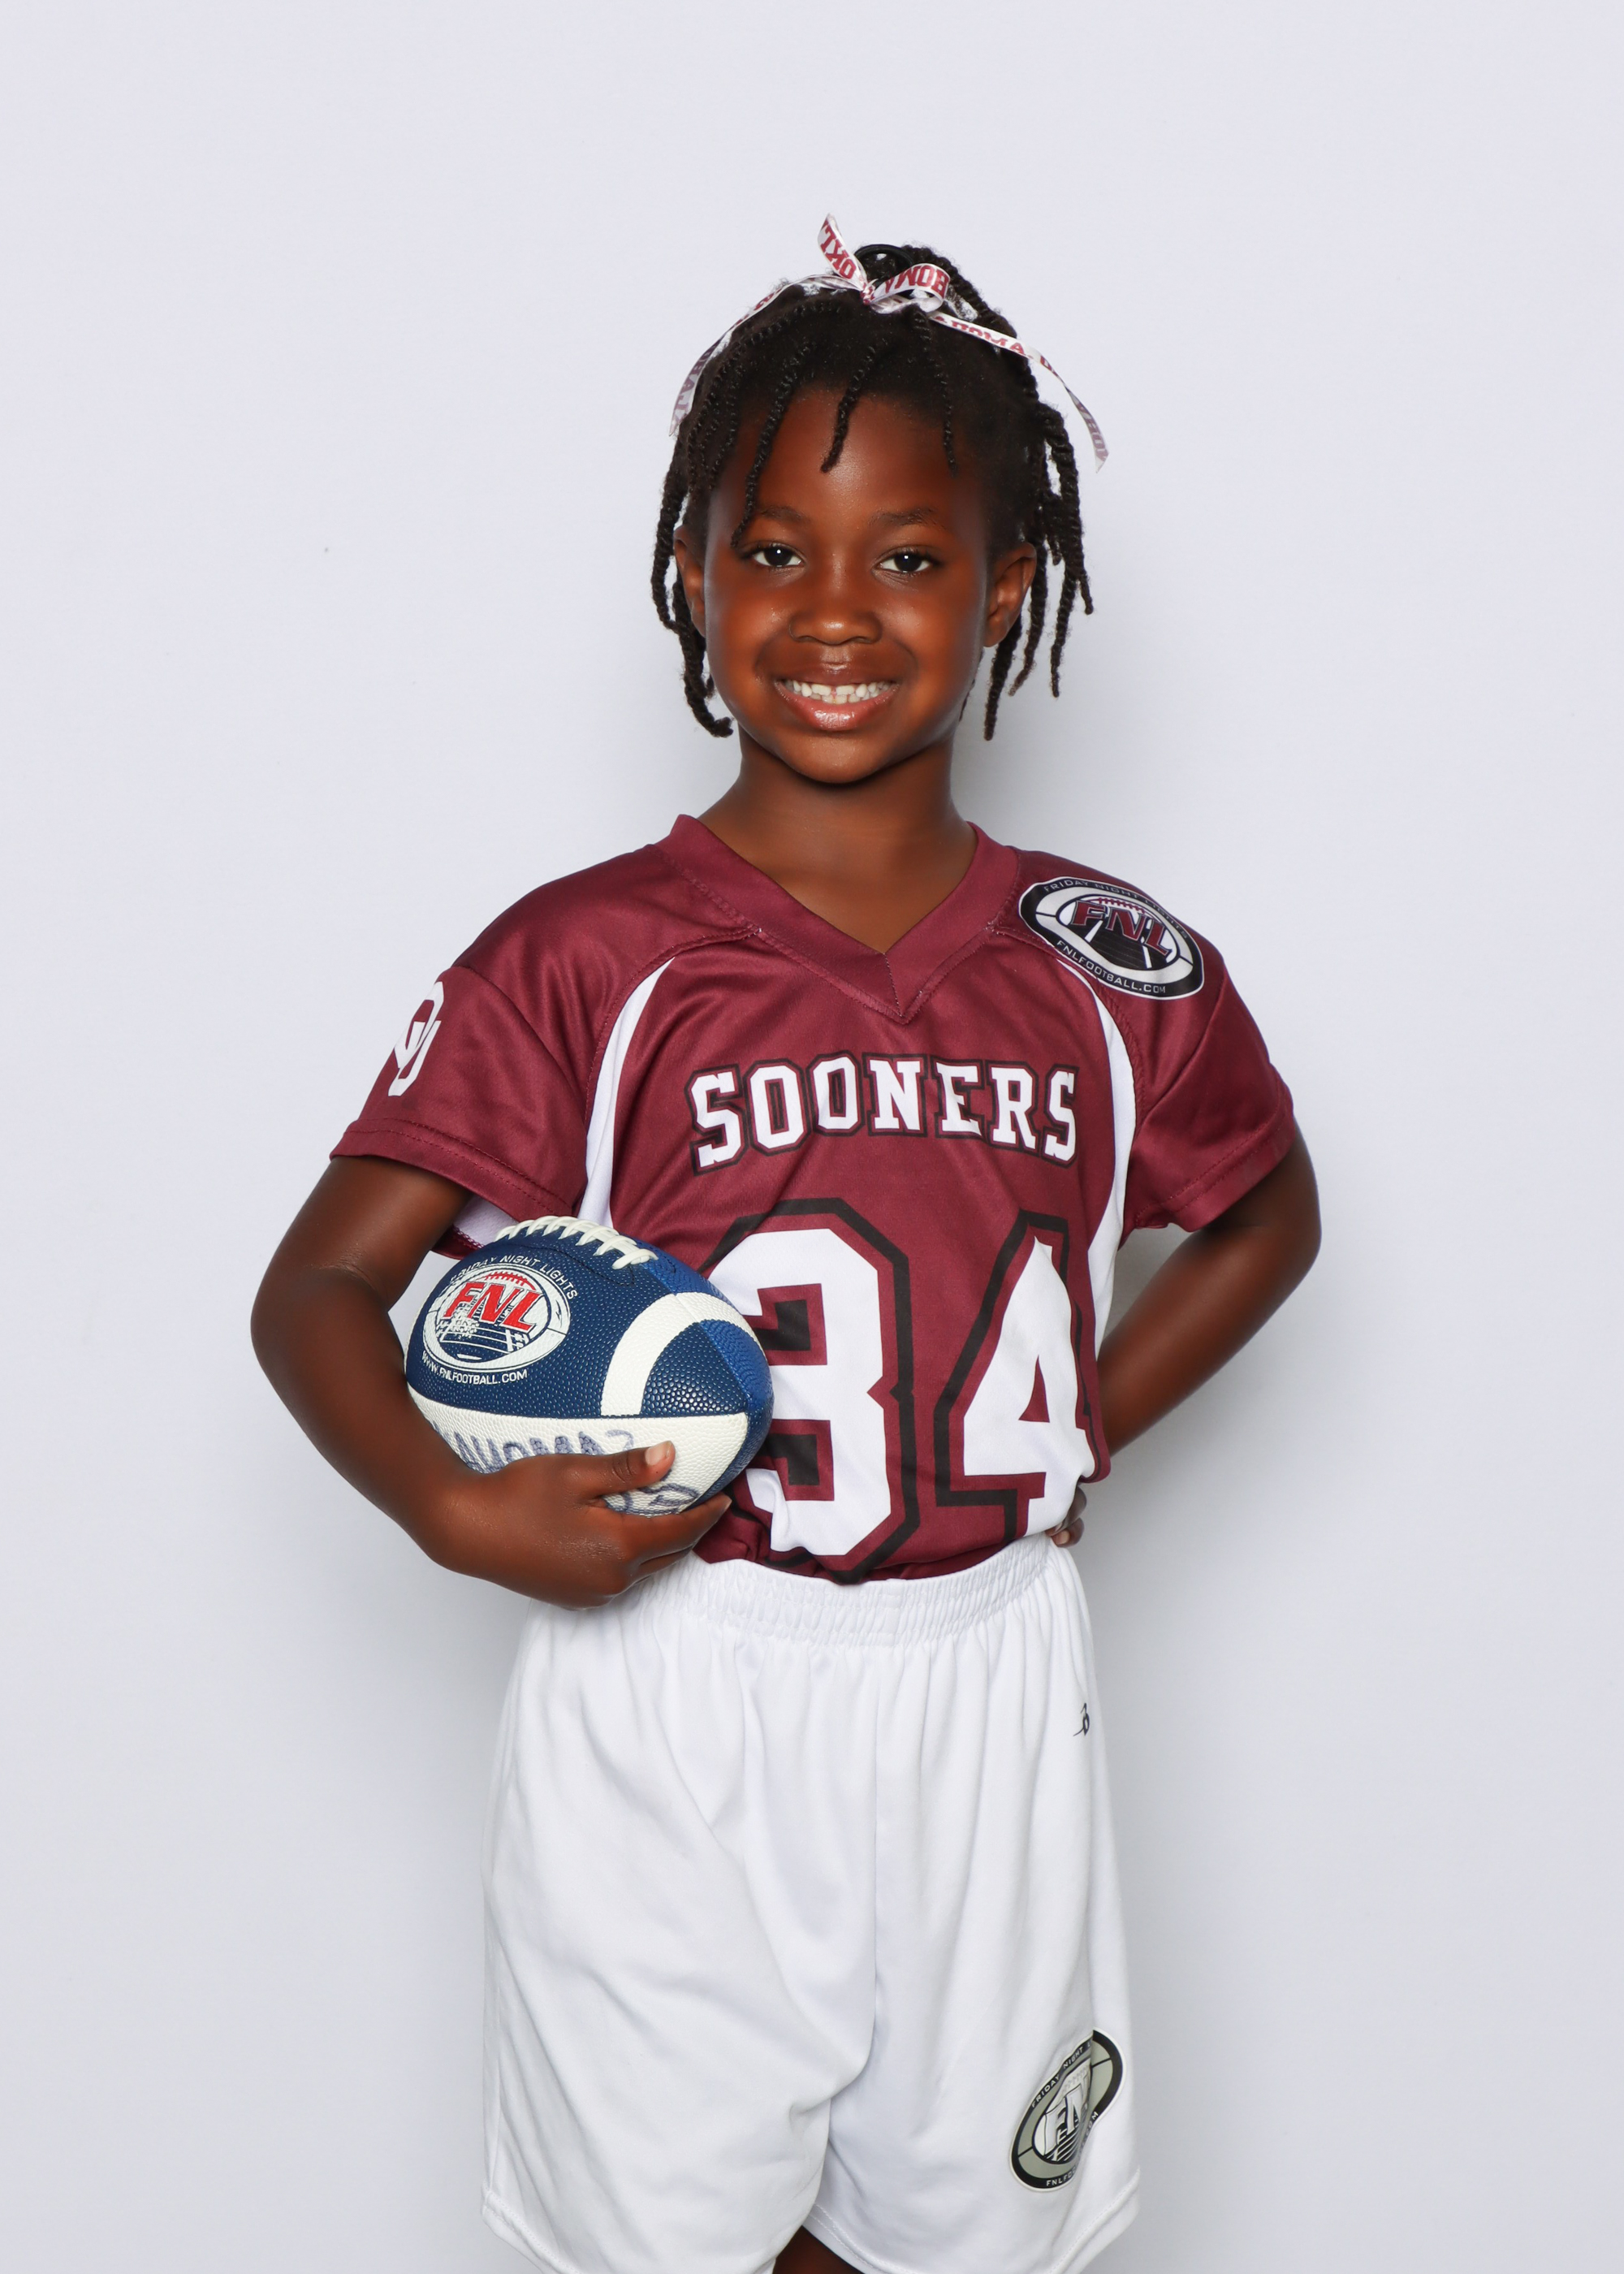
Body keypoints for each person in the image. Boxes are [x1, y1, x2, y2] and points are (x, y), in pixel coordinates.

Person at [253, 224, 1320, 2274]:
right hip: (685, 1676)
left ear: (1006, 585)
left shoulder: (1107, 964)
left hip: (992, 1674)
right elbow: (314, 1290)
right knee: (674, 2235)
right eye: (772, 551)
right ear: (693, 575)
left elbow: (1267, 1210)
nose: (835, 611)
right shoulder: (588, 955)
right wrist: (449, 1510)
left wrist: (1079, 1412)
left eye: (907, 556)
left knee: (939, 2232)